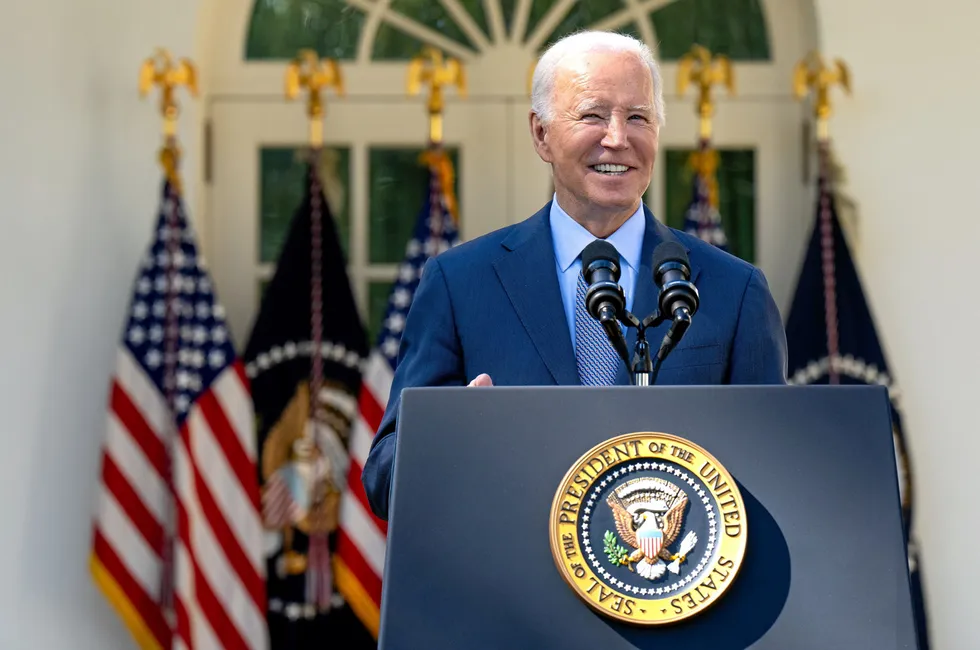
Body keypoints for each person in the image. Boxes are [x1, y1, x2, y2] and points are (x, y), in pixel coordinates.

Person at [362, 30, 787, 521]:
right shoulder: (459, 284)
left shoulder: (733, 291)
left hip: (674, 579)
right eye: (592, 115)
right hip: (510, 589)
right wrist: (452, 439)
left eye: (637, 118)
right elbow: (383, 479)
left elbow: (774, 470)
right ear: (541, 134)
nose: (617, 138)